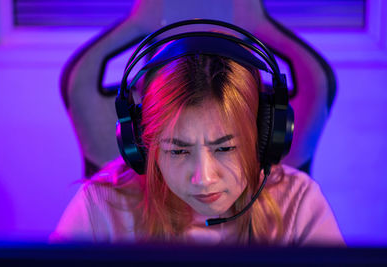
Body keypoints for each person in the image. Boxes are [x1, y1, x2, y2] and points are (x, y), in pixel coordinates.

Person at [50, 21, 344, 246]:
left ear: (263, 138)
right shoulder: (101, 208)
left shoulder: (298, 205)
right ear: (143, 145)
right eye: (178, 151)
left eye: (225, 148)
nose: (203, 178)